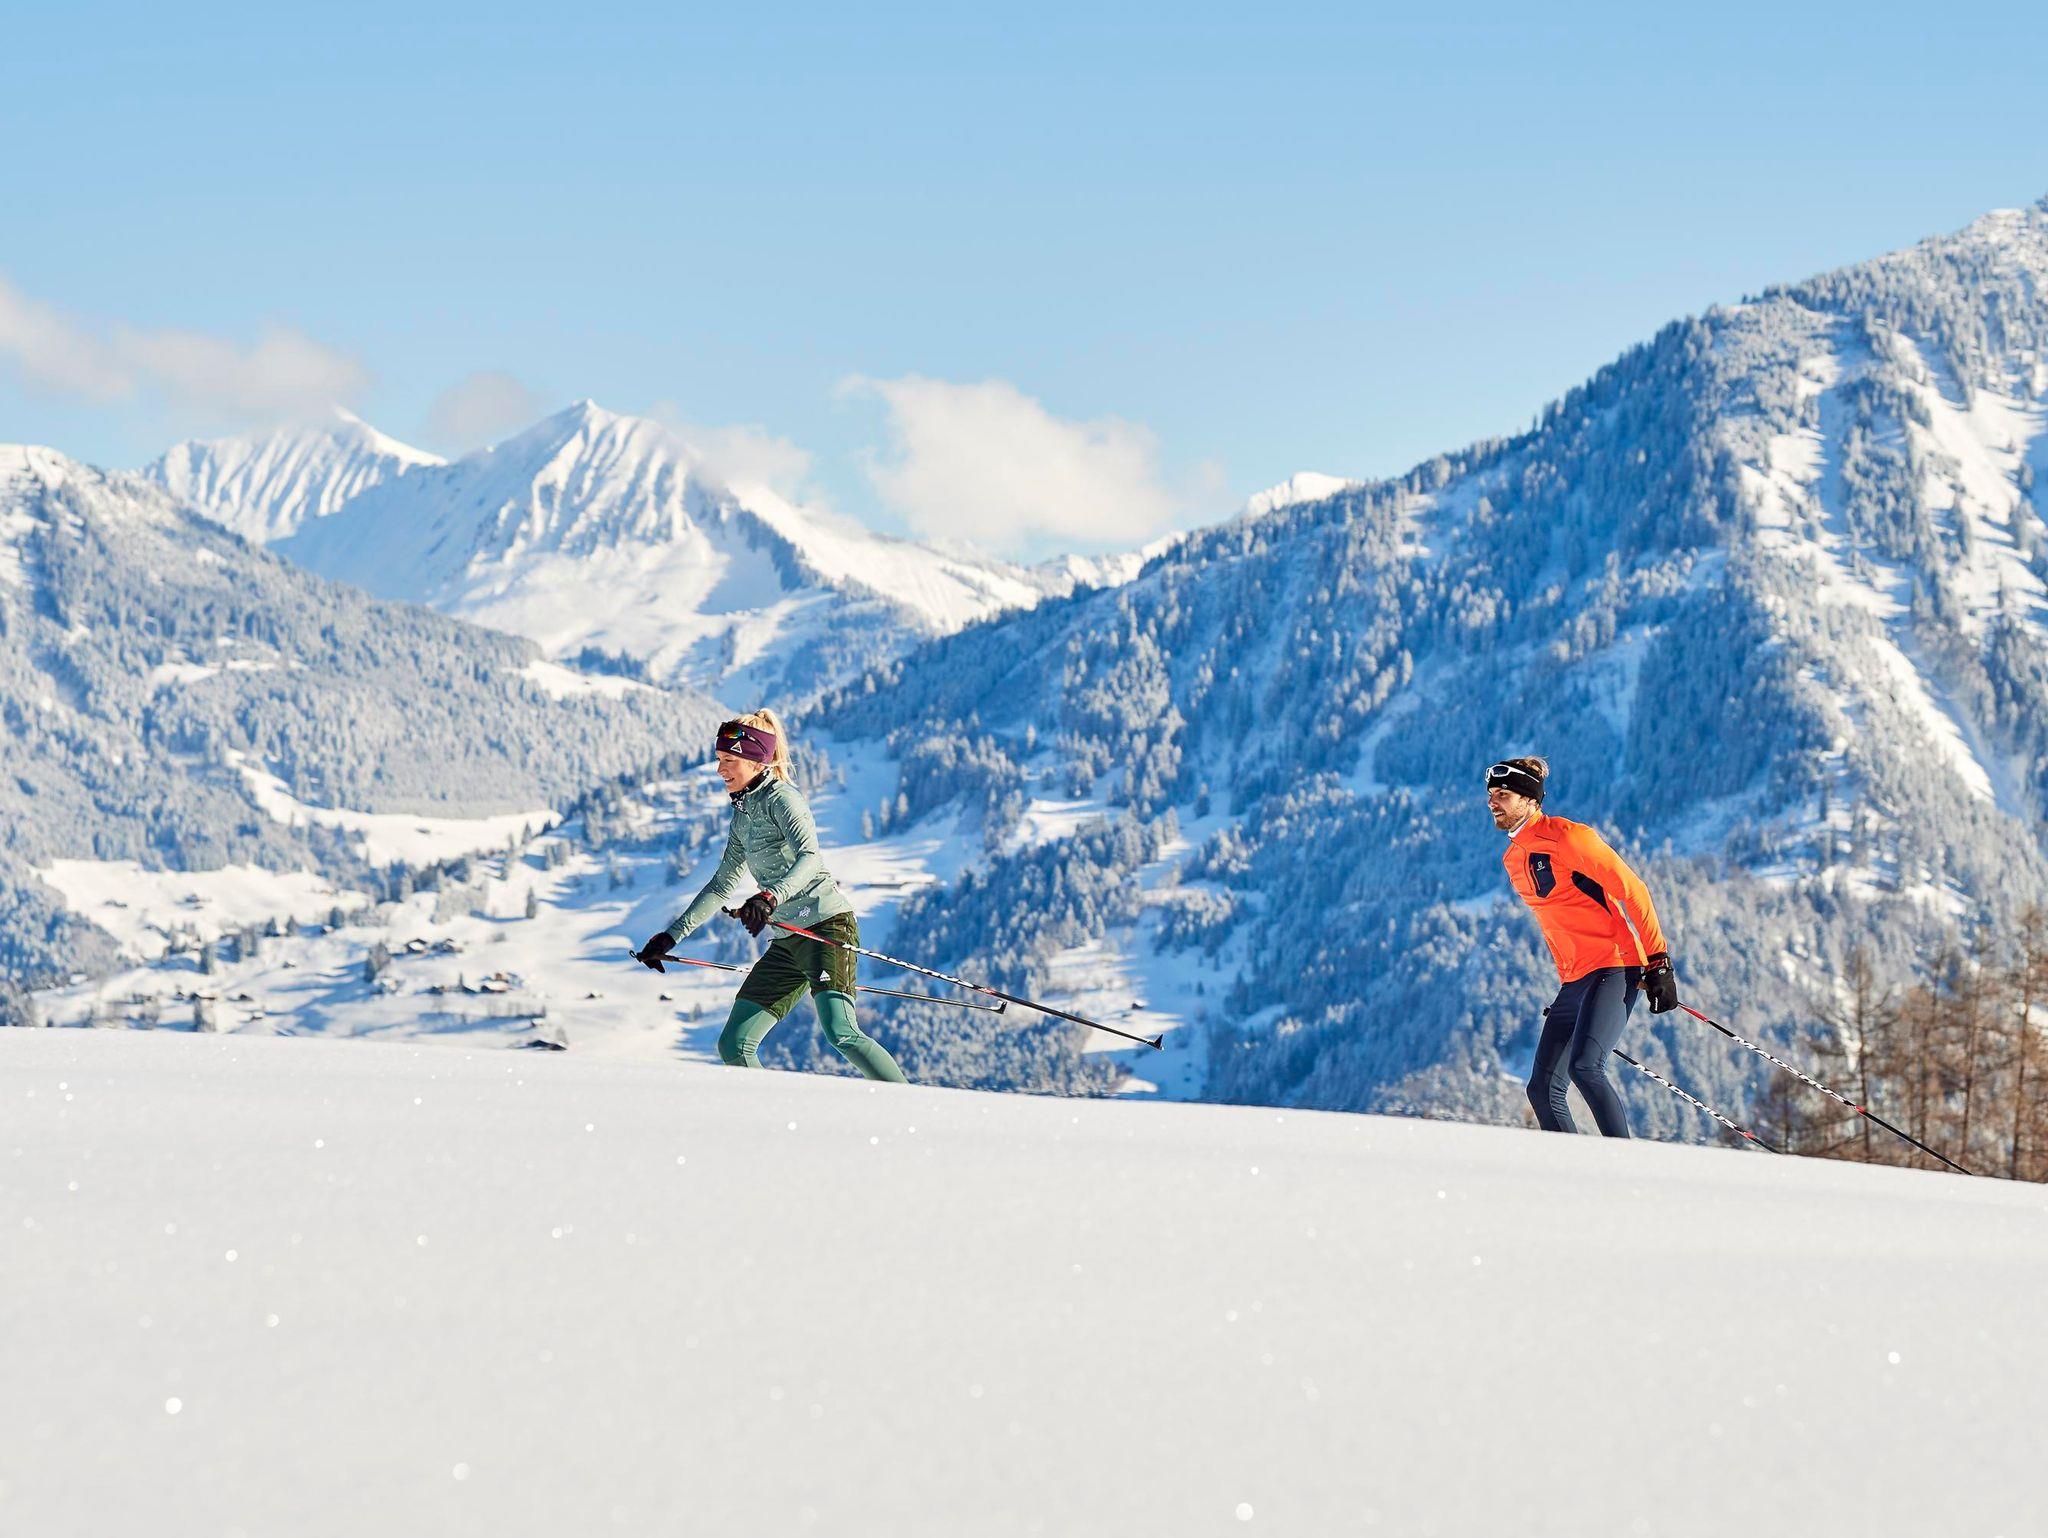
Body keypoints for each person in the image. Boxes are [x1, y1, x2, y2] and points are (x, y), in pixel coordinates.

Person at [635, 710, 907, 1083]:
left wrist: (769, 897)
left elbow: (810, 857)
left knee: (841, 1032)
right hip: (787, 941)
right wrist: (670, 937)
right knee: (734, 1044)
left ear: (755, 760)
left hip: (826, 928)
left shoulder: (783, 799)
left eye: (728, 760)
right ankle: (773, 1113)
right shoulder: (743, 813)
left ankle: (910, 1106)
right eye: (719, 760)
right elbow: (722, 885)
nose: (720, 770)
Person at [1487, 756, 1678, 1137]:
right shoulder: (1513, 857)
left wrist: (1658, 961)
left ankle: (1624, 1161)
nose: (1493, 802)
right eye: (1491, 794)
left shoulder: (1569, 837)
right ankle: (1574, 1165)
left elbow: (1633, 890)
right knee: (1542, 1089)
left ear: (1530, 799)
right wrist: (1567, 984)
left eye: (1503, 795)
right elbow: (1555, 923)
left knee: (1585, 1067)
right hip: (1576, 980)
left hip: (1615, 964)